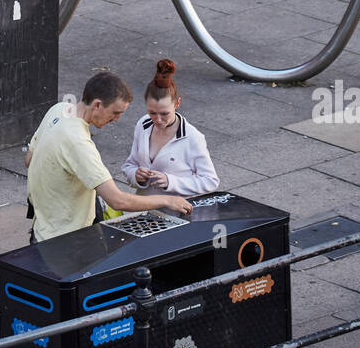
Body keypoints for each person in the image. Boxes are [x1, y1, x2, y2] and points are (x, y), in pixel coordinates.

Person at [24, 69, 192, 243]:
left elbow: (29, 160)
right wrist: (168, 200)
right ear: (97, 105)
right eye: (115, 113)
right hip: (67, 241)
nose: (117, 119)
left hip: (41, 230)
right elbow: (118, 201)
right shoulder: (78, 143)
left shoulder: (59, 110)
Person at [122, 58, 220, 196]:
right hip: (143, 210)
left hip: (177, 213)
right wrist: (135, 175)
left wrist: (170, 182)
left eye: (164, 113)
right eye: (152, 113)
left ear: (177, 103)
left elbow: (210, 181)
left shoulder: (192, 137)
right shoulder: (143, 124)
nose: (158, 119)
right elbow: (129, 165)